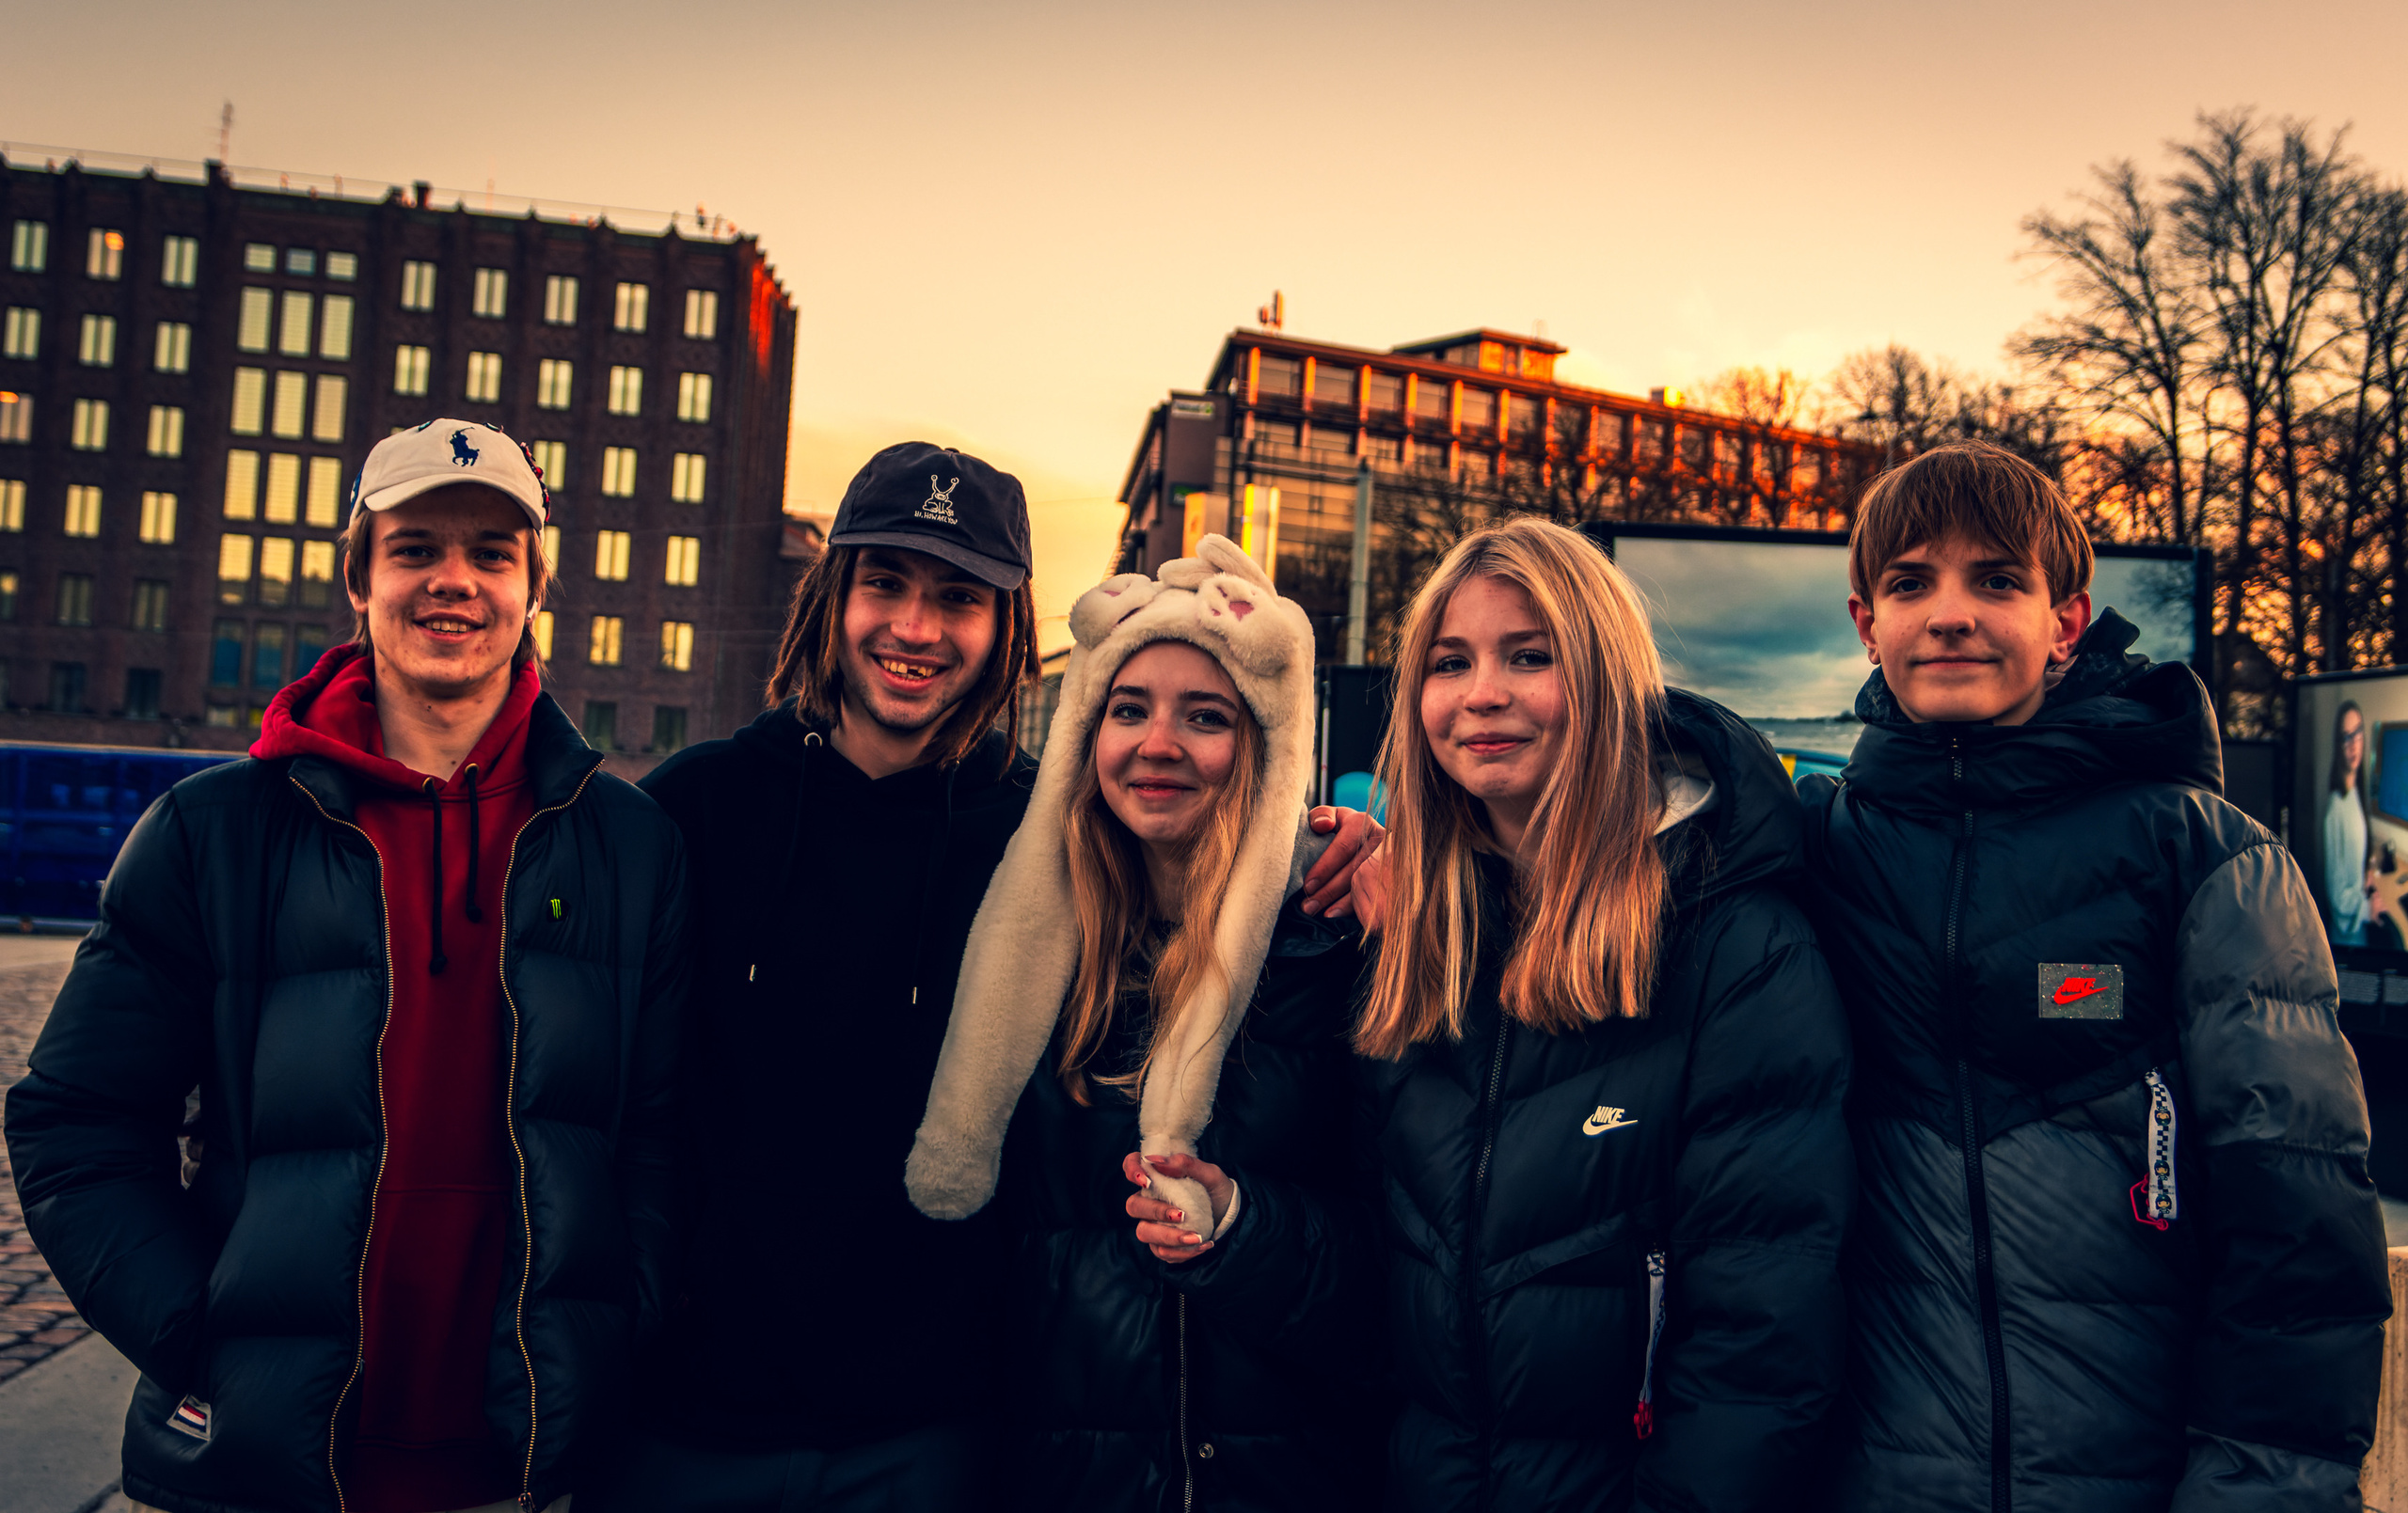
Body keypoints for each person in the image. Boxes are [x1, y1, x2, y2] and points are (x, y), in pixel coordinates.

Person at [599, 446, 1380, 1510]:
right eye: (885, 584)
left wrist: (1337, 845)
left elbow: (1210, 863)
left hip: (936, 1433)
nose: (915, 630)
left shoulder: (1059, 842)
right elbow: (610, 1096)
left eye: (958, 598)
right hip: (682, 1420)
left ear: (1007, 628)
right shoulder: (696, 808)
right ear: (832, 597)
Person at [5, 418, 688, 1513]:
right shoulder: (212, 832)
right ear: (358, 580)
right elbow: (74, 1125)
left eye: (491, 553)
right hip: (252, 1468)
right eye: (416, 548)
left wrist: (610, 1333)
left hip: (521, 1471)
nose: (453, 582)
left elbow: (660, 1139)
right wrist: (203, 1340)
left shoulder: (627, 844)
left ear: (536, 588)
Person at [1798, 439, 2390, 1509]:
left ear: (2064, 622)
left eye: (1995, 579)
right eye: (1908, 582)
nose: (1948, 613)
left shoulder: (2205, 859)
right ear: (1864, 623)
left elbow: (2298, 1238)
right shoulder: (1809, 852)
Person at [1348, 517, 1852, 1512]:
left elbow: (1762, 1340)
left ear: (1607, 678)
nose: (1483, 692)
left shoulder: (1736, 944)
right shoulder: (1400, 928)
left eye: (1528, 656)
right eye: (1451, 662)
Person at [905, 536, 1385, 1512]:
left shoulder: (1338, 947)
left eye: (1205, 716)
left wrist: (1247, 1233)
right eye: (1128, 708)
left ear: (1260, 745)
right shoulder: (1037, 959)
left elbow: (1418, 1281)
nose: (1156, 744)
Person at [2325, 700, 2375, 947]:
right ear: (2339, 744)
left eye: (2358, 733)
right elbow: (2337, 898)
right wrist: (2369, 909)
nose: (2354, 744)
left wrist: (2364, 877)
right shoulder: (2335, 810)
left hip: (2359, 925)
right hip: (2348, 936)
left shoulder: (2356, 791)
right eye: (2347, 737)